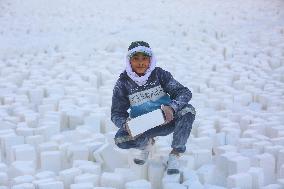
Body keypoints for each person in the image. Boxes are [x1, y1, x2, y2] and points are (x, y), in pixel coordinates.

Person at [111, 41, 196, 175]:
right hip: (144, 125)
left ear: (150, 60)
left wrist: (172, 107)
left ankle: (175, 153)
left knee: (188, 110)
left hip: (167, 118)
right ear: (129, 61)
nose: (140, 63)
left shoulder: (160, 74)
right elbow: (116, 113)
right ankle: (146, 144)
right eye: (136, 59)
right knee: (120, 140)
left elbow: (184, 92)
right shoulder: (123, 83)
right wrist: (125, 124)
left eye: (144, 58)